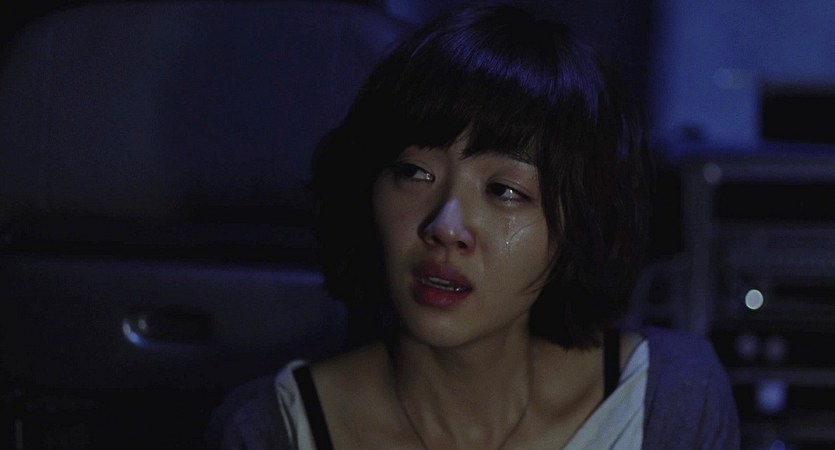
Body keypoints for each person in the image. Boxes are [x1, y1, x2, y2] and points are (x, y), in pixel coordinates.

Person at [208, 4, 740, 449]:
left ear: (577, 227)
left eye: (505, 191)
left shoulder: (669, 401)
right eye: (414, 173)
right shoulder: (272, 429)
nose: (446, 227)